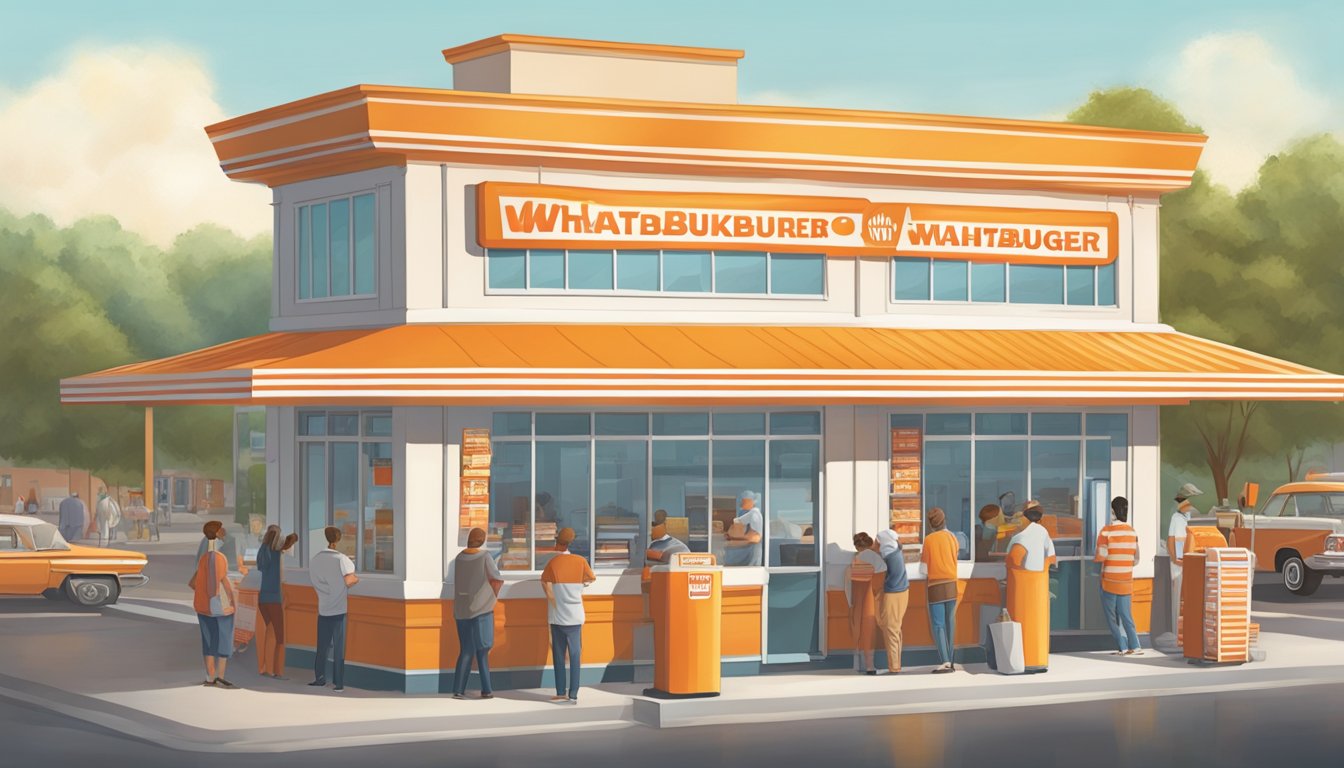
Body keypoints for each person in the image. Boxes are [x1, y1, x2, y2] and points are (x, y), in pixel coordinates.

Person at [541, 527, 594, 704]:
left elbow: (545, 585)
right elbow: (590, 579)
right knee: (575, 655)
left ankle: (560, 691)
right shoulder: (580, 561)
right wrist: (579, 586)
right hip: (575, 615)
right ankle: (573, 694)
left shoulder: (552, 563)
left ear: (557, 542)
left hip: (557, 616)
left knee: (558, 655)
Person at [452, 527, 503, 700]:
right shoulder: (485, 557)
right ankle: (487, 689)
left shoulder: (459, 558)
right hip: (482, 609)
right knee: (483, 650)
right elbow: (496, 578)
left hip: (461, 609)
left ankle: (458, 689)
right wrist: (493, 596)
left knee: (466, 650)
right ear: (482, 540)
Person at [1006, 500, 1057, 672]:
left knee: (1022, 625)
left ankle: (1023, 661)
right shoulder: (1044, 533)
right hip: (1040, 587)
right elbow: (1052, 558)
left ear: (1026, 517)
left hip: (1022, 589)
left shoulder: (1020, 537)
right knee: (1038, 626)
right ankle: (1039, 660)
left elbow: (1014, 560)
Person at [309, 526, 358, 691]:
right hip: (339, 610)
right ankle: (338, 683)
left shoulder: (315, 560)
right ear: (338, 540)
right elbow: (350, 580)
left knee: (321, 647)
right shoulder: (342, 559)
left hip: (323, 608)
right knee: (338, 647)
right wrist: (356, 579)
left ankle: (319, 678)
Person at [191, 520, 239, 689]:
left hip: (202, 605)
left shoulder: (204, 558)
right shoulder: (220, 558)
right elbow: (223, 582)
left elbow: (197, 581)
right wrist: (233, 601)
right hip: (219, 605)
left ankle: (209, 677)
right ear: (218, 533)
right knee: (224, 639)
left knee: (208, 640)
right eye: (221, 529)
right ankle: (221, 675)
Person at [1095, 496, 1142, 656]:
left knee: (1111, 617)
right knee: (1126, 616)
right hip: (1126, 581)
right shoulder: (1132, 532)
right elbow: (1136, 559)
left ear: (1113, 511)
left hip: (1109, 581)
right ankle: (1135, 646)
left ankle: (1122, 647)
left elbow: (1101, 557)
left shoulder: (1106, 531)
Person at [921, 508, 960, 673]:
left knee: (939, 625)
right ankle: (951, 660)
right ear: (944, 520)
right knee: (950, 622)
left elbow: (923, 569)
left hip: (935, 586)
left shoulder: (929, 540)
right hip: (951, 583)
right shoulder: (953, 537)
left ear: (930, 524)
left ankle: (944, 660)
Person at [255, 526, 297, 679]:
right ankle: (276, 671)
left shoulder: (263, 552)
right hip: (274, 598)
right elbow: (291, 540)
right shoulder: (277, 554)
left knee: (269, 632)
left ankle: (265, 668)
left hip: (263, 598)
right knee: (279, 637)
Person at [847, 532, 886, 674]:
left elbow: (848, 583)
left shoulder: (855, 559)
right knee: (869, 629)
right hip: (870, 595)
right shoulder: (874, 557)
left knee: (857, 628)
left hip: (857, 598)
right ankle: (870, 666)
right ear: (870, 544)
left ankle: (859, 664)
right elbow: (882, 575)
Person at [1167, 482, 1202, 642]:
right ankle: (1176, 633)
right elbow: (1171, 541)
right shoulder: (1176, 518)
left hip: (1188, 561)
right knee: (1177, 598)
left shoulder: (1189, 517)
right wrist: (1176, 559)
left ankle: (1186, 632)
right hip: (1178, 564)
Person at [875, 527, 910, 674]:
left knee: (891, 629)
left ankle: (894, 667)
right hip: (902, 592)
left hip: (893, 594)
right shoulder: (895, 552)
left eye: (877, 541)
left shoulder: (888, 554)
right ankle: (896, 664)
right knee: (894, 628)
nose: (875, 545)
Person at [723, 490, 764, 566]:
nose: (741, 504)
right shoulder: (747, 513)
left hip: (752, 552)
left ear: (752, 501)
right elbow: (739, 521)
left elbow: (756, 538)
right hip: (748, 550)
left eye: (744, 501)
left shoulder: (755, 515)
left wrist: (736, 539)